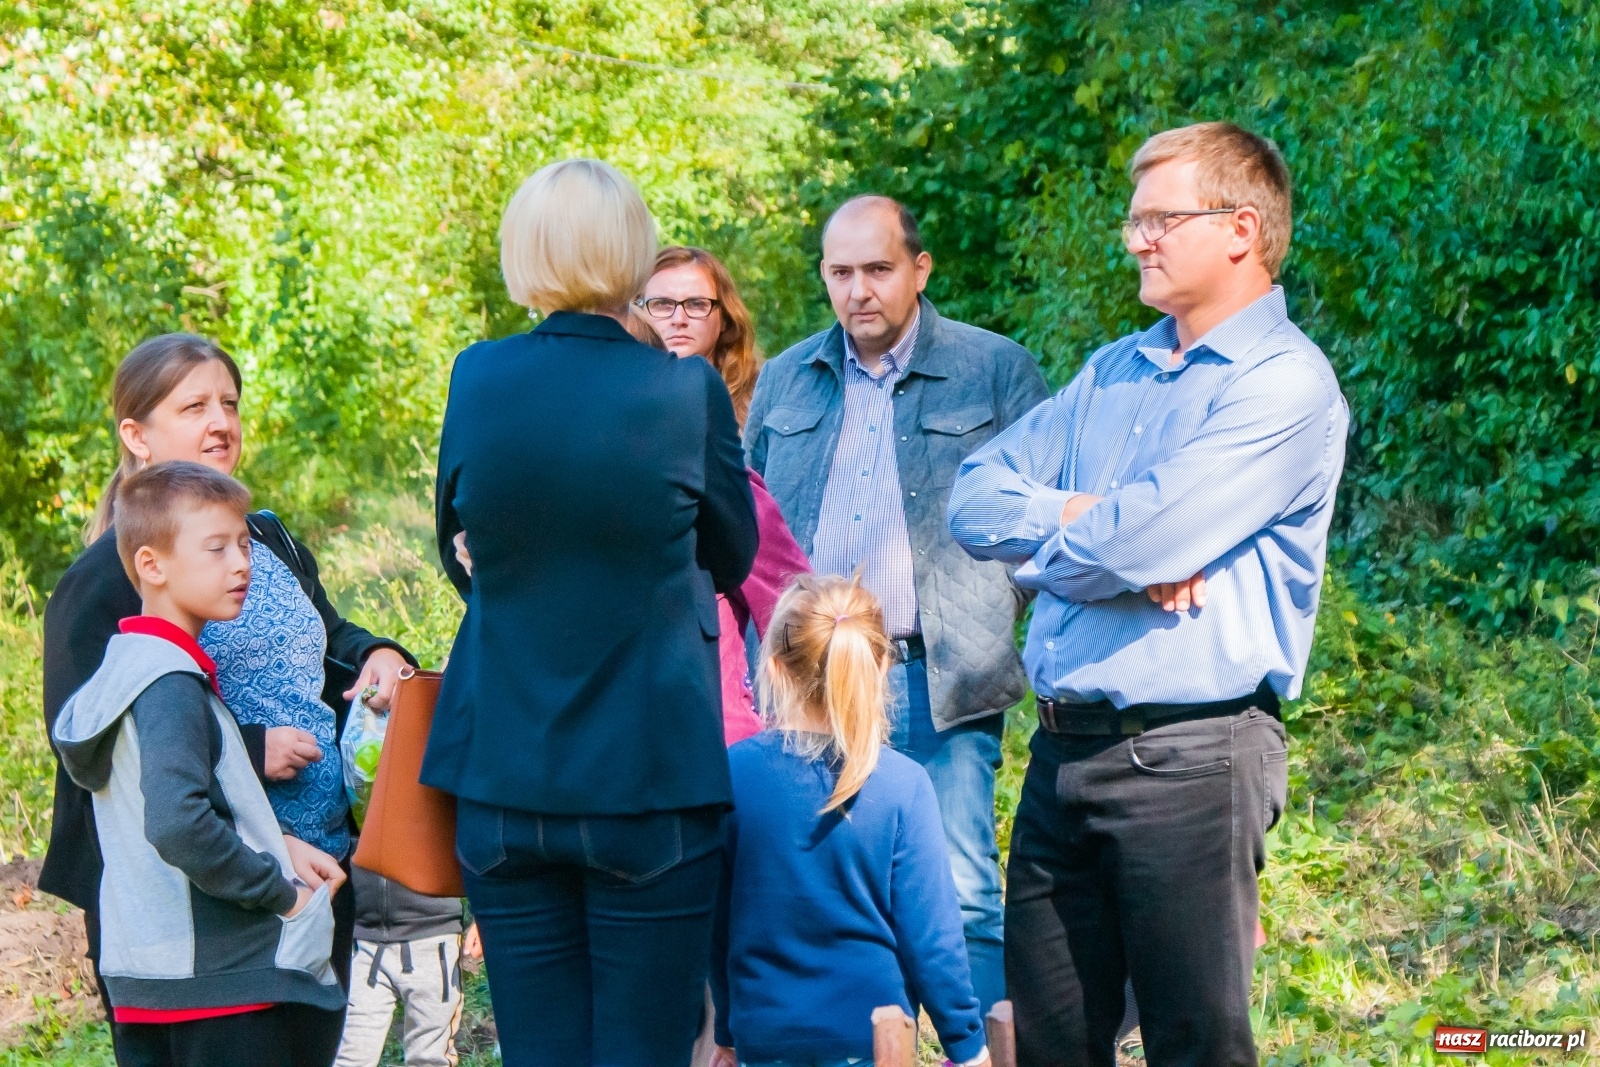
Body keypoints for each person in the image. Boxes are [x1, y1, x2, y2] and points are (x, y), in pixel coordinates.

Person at [947, 122, 1349, 1066]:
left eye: (1160, 219)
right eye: (1134, 221)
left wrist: (1072, 545)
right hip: (1061, 756)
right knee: (1051, 1044)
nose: (1138, 239)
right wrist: (1102, 526)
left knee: (1194, 1042)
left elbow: (1146, 534)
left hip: (1192, 759)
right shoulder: (1113, 371)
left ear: (1241, 228)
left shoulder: (1284, 384)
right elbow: (973, 497)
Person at [428, 158, 759, 1066]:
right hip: (648, 770)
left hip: (503, 771)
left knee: (538, 1049)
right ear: (632, 254)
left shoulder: (478, 377)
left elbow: (460, 550)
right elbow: (735, 555)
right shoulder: (683, 389)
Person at [40, 333, 415, 1060]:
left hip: (315, 877)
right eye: (194, 406)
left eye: (230, 403)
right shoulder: (110, 575)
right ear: (136, 434)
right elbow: (90, 741)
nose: (220, 421)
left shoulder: (263, 538)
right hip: (201, 914)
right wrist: (248, 747)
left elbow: (324, 635)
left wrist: (376, 652)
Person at [744, 196, 1050, 1009]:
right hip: (806, 676)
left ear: (920, 269)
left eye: (878, 269)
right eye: (841, 273)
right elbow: (745, 520)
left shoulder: (996, 370)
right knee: (816, 884)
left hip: (935, 673)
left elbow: (1044, 517)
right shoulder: (784, 382)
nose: (859, 291)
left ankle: (976, 1053)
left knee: (961, 887)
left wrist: (989, 610)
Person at [52, 461, 346, 1067]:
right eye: (216, 549)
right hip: (218, 992)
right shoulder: (169, 684)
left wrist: (277, 839)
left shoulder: (124, 672)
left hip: (150, 982)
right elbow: (177, 822)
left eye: (244, 544)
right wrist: (277, 891)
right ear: (151, 566)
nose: (242, 564)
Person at [709, 574, 989, 1067]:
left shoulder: (733, 773)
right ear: (881, 666)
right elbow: (933, 939)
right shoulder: (903, 784)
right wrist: (966, 1044)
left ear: (774, 668)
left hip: (766, 1035)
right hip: (877, 1040)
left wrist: (728, 1030)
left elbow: (718, 925)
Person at [641, 246, 810, 742]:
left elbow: (783, 583)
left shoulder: (761, 412)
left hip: (713, 692)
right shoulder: (604, 419)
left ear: (723, 319)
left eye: (696, 304)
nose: (678, 319)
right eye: (662, 304)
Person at [334, 869, 482, 1067]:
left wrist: (482, 915)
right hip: (364, 941)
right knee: (349, 1058)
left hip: (433, 940)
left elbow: (473, 848)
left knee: (429, 1058)